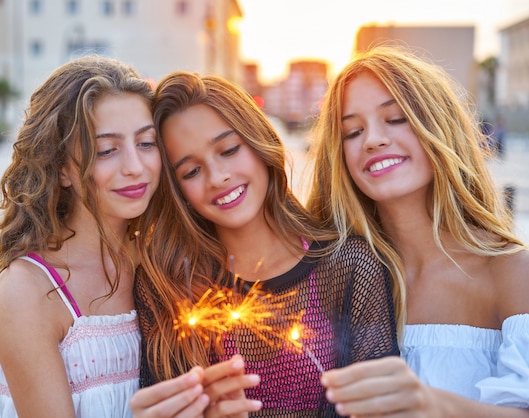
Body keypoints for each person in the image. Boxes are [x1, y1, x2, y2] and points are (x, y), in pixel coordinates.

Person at [130, 71, 399, 417]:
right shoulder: (164, 288)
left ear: (258, 141)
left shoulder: (347, 265)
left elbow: (382, 407)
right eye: (191, 172)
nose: (218, 177)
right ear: (177, 190)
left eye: (228, 150)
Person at [307, 46, 529, 417]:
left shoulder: (517, 274)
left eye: (396, 118)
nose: (373, 140)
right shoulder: (330, 278)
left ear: (437, 124)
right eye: (353, 131)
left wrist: (432, 404)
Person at [0, 55, 161, 417]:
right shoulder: (27, 291)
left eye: (146, 143)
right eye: (106, 150)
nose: (135, 167)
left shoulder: (158, 259)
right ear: (62, 169)